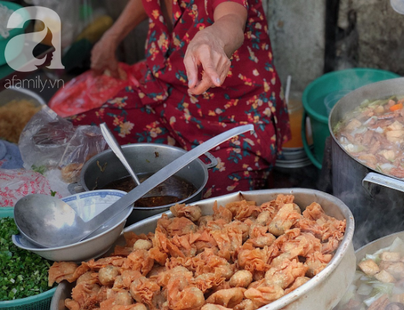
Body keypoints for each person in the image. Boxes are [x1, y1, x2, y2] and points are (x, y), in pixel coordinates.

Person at [71, 0, 289, 195]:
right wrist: (112, 36)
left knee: (215, 215)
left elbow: (231, 17)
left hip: (232, 124)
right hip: (160, 98)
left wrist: (213, 37)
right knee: (75, 141)